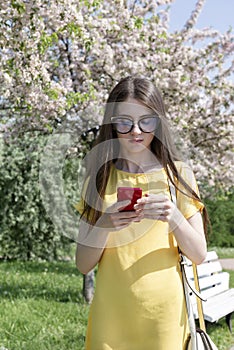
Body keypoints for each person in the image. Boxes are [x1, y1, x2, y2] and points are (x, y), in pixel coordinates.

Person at [75, 76, 208, 350]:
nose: (136, 131)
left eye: (146, 121)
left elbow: (198, 254)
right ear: (112, 124)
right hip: (110, 319)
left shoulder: (178, 176)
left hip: (164, 319)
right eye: (125, 122)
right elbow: (82, 264)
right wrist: (104, 225)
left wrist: (173, 216)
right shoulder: (99, 180)